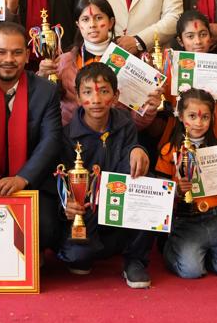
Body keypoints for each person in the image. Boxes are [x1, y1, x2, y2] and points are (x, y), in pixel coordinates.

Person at [0, 22, 64, 252]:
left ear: (27, 55)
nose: (9, 59)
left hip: (31, 182)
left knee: (47, 228)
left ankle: (31, 255)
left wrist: (23, 178)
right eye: (1, 52)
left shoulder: (46, 91)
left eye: (17, 52)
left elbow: (51, 141)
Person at [58, 62, 154, 289]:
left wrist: (137, 149)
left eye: (104, 91)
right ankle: (93, 250)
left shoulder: (125, 124)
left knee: (146, 182)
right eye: (88, 92)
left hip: (116, 205)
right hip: (87, 212)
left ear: (116, 95)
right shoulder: (67, 136)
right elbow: (59, 179)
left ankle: (135, 259)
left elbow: (130, 162)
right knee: (77, 257)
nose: (96, 100)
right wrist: (66, 204)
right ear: (78, 98)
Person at [155, 88, 217, 280]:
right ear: (181, 116)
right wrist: (176, 191)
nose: (199, 123)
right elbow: (160, 194)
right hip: (185, 220)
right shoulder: (169, 151)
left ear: (212, 118)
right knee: (191, 271)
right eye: (192, 116)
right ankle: (172, 248)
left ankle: (203, 255)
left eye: (205, 117)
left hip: (216, 218)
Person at [48, 0, 163, 127]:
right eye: (85, 19)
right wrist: (43, 76)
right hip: (72, 136)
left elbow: (135, 124)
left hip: (118, 135)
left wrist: (149, 108)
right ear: (78, 25)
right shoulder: (64, 62)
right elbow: (46, 105)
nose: (92, 25)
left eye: (98, 18)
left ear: (111, 23)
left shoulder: (131, 61)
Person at [173, 10, 217, 139]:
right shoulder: (172, 73)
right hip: (181, 145)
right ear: (180, 41)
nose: (198, 41)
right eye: (190, 36)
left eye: (203, 34)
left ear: (211, 37)